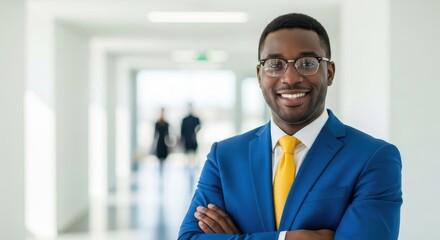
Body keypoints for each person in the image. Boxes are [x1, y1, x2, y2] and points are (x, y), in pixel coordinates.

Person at [178, 13, 402, 240]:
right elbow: (188, 238)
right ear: (259, 75)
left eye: (307, 64)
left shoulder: (373, 158)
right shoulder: (225, 156)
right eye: (275, 64)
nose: (290, 78)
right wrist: (286, 238)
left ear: (330, 73)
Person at [180, 103, 201, 169]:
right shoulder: (184, 120)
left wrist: (195, 133)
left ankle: (194, 166)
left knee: (194, 153)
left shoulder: (195, 119)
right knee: (187, 154)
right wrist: (182, 140)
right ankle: (187, 166)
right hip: (187, 139)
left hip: (193, 139)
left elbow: (199, 126)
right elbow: (182, 131)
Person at [153, 107, 170, 176]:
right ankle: (160, 172)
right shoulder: (157, 123)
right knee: (159, 158)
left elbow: (167, 135)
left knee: (163, 158)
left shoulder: (166, 124)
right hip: (159, 142)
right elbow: (155, 135)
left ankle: (162, 171)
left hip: (164, 142)